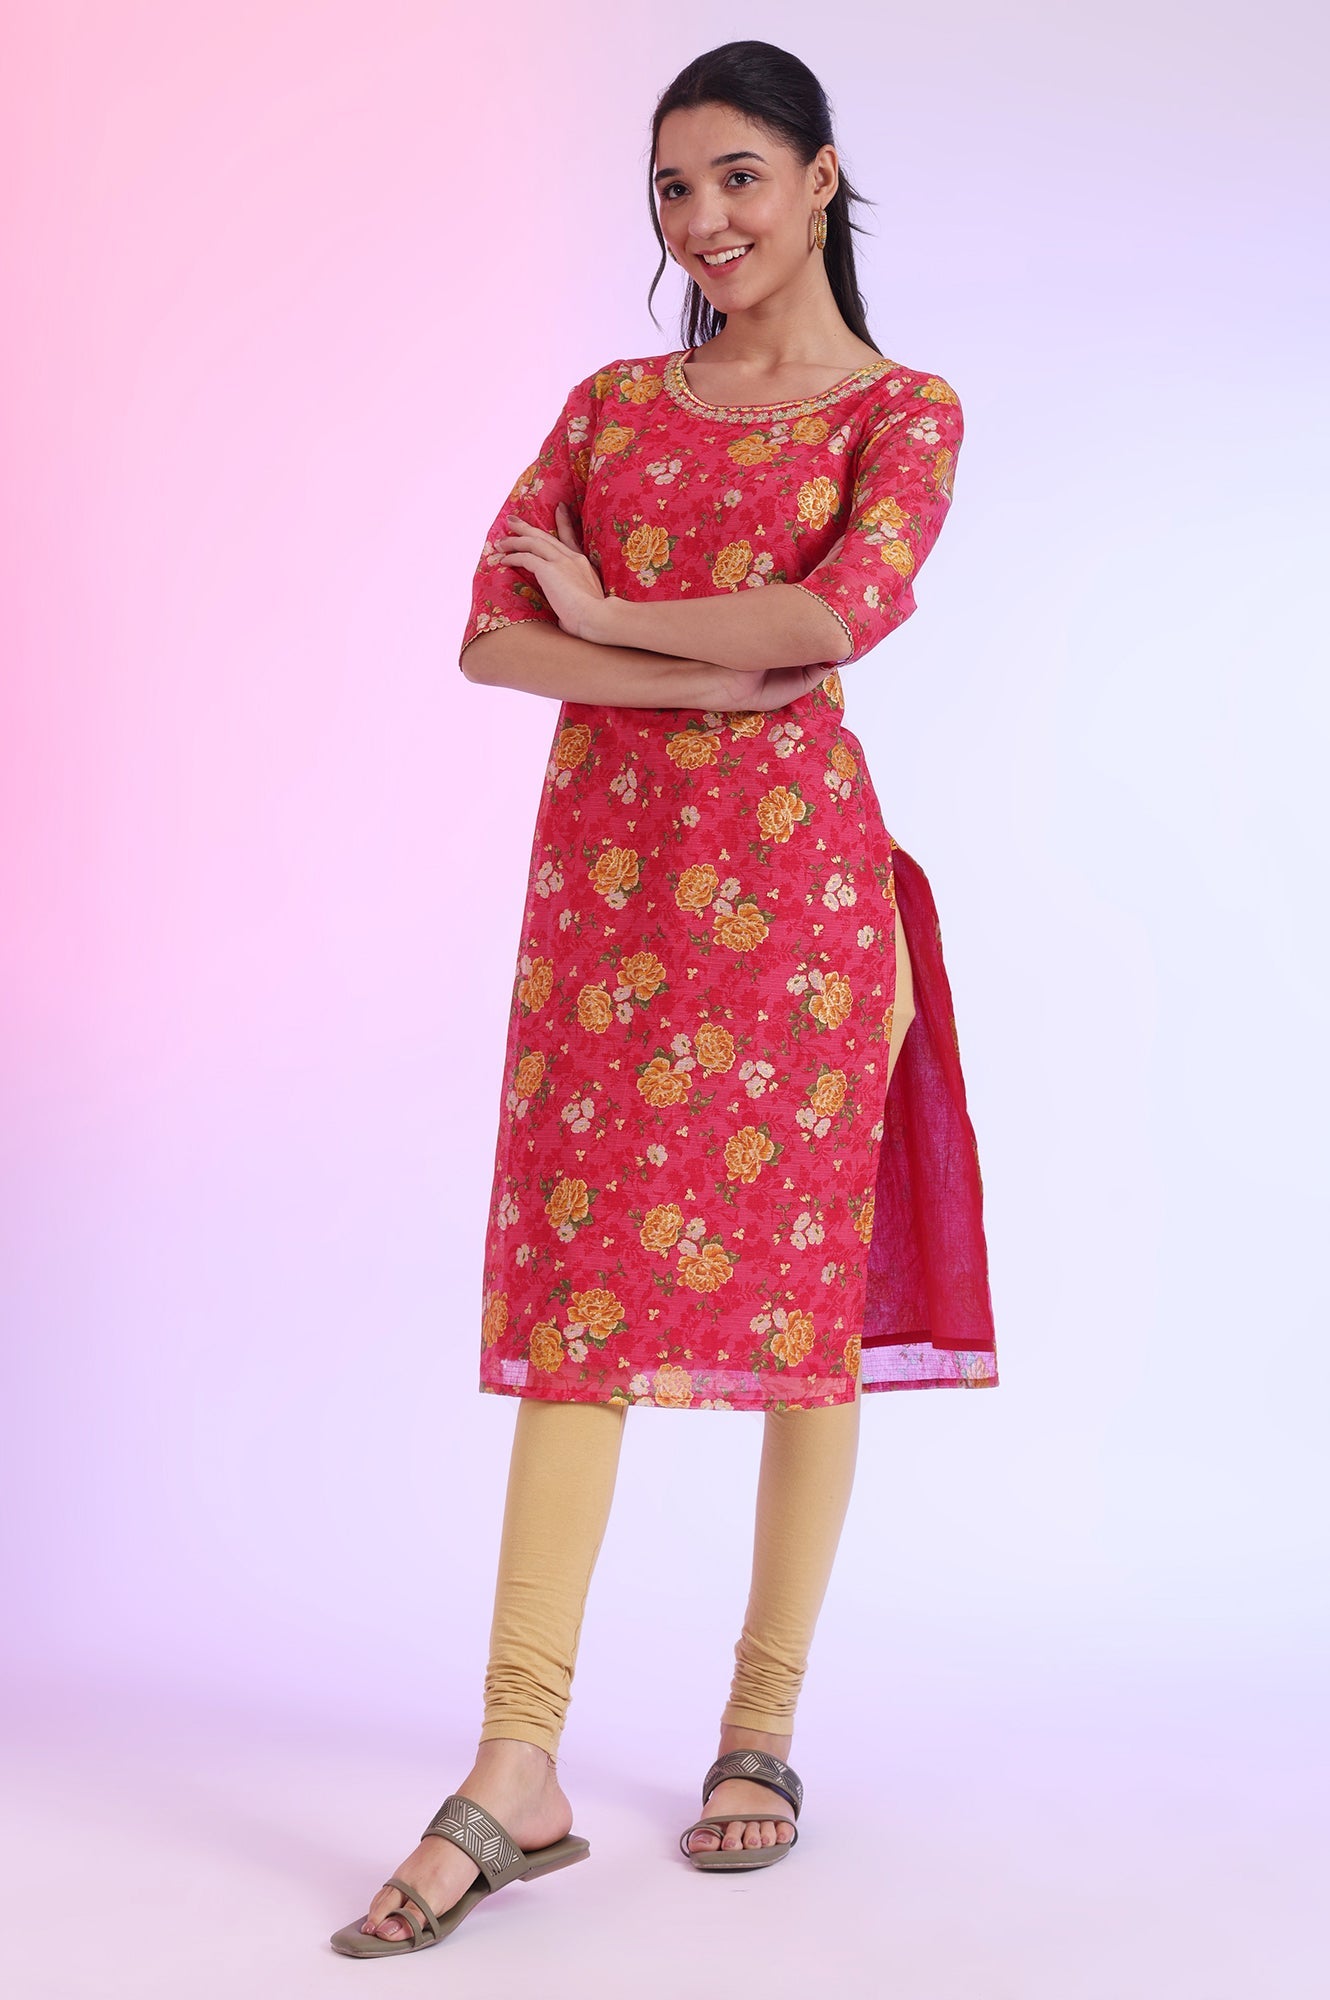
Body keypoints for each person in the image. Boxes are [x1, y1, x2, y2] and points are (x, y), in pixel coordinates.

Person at [331, 37, 998, 1961]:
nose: (702, 220)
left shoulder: (905, 412)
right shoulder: (610, 408)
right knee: (579, 1309)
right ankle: (515, 1764)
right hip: (606, 918)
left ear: (819, 178)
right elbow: (487, 638)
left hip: (800, 916)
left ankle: (760, 1727)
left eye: (736, 178)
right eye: (671, 189)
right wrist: (704, 679)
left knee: (800, 1313)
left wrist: (614, 618)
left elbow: (829, 617)